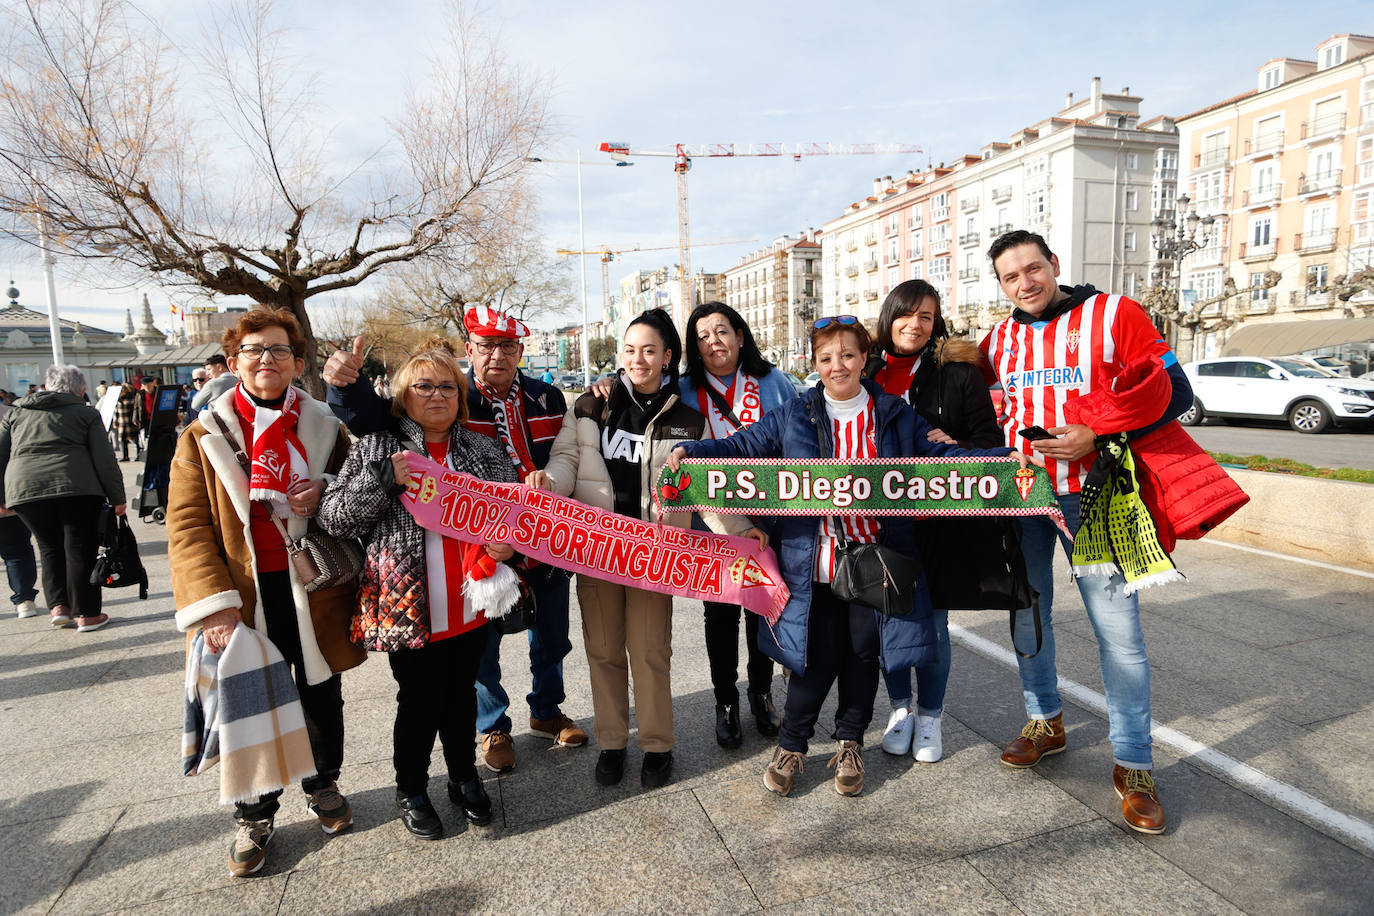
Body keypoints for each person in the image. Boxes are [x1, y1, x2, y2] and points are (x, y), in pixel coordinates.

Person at [668, 316, 1026, 798]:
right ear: (814, 364)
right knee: (814, 657)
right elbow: (741, 447)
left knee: (862, 654)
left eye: (848, 355)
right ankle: (792, 744)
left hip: (875, 564)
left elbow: (946, 462)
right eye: (826, 358)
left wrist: (1002, 461)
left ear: (864, 359)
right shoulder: (794, 413)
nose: (838, 366)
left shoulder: (894, 414)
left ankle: (850, 741)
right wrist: (692, 451)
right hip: (811, 561)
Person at [980, 229, 1194, 835]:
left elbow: (1176, 391)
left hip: (1094, 494)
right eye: (1009, 276)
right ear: (1000, 285)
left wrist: (1097, 433)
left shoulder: (1115, 313)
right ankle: (1044, 719)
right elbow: (997, 414)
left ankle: (1134, 764)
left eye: (1032, 268)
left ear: (1053, 263)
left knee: (1118, 630)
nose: (1024, 283)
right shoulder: (998, 339)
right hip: (1023, 497)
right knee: (1028, 612)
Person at [324, 308, 585, 776]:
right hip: (462, 559)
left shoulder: (547, 396)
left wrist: (548, 485)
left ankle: (547, 710)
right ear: (471, 351)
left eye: (507, 347)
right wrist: (345, 385)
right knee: (477, 653)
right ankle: (493, 726)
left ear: (521, 352)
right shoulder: (451, 392)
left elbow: (566, 453)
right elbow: (370, 415)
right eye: (486, 346)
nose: (496, 356)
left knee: (552, 634)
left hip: (537, 534)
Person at [526, 308, 764, 789]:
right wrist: (547, 484)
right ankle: (613, 743)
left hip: (657, 558)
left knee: (652, 652)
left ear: (668, 356)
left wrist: (742, 532)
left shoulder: (689, 421)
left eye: (649, 350)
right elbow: (567, 461)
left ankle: (657, 746)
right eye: (630, 350)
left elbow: (703, 489)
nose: (639, 359)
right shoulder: (591, 409)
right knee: (605, 652)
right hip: (596, 551)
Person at [167, 308, 365, 878]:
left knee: (319, 693)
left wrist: (321, 492)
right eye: (253, 351)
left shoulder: (327, 425)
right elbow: (186, 527)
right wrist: (215, 607)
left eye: (278, 351)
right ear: (233, 364)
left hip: (312, 585)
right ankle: (254, 815)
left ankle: (323, 784)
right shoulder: (204, 436)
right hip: (243, 592)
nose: (266, 361)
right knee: (247, 702)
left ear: (298, 363)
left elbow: (356, 491)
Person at [318, 347, 517, 840]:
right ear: (402, 397)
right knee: (419, 701)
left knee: (461, 698)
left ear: (461, 396)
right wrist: (383, 481)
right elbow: (334, 516)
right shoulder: (376, 447)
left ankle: (463, 776)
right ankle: (411, 787)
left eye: (448, 387)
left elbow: (517, 515)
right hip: (407, 603)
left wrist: (507, 545)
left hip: (469, 601)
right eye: (423, 387)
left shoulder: (481, 450)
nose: (437, 396)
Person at [865, 280, 1002, 764]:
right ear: (889, 317)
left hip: (940, 522)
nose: (915, 325)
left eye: (927, 316)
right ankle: (899, 710)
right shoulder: (868, 373)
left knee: (935, 624)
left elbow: (991, 440)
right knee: (889, 617)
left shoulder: (958, 372)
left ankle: (931, 718)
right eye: (907, 314)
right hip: (882, 522)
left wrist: (957, 447)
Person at [680, 302, 796, 747]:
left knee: (762, 606)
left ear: (740, 336)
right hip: (714, 518)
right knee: (721, 612)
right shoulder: (686, 388)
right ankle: (725, 701)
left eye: (722, 330)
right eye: (703, 334)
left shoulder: (773, 381)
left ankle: (762, 694)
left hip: (768, 514)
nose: (714, 340)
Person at [0, 365, 126, 631]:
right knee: (80, 548)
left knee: (49, 548)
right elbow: (104, 458)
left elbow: (0, 454)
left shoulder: (16, 413)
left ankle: (59, 607)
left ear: (46, 386)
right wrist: (116, 495)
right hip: (77, 486)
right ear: (81, 389)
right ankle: (87, 614)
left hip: (25, 489)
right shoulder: (85, 413)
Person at [112, 381, 140, 461]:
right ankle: (125, 456)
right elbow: (116, 412)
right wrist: (115, 422)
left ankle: (138, 454)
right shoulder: (118, 400)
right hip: (122, 422)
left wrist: (136, 419)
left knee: (135, 439)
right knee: (123, 441)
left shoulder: (131, 398)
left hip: (130, 422)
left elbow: (135, 410)